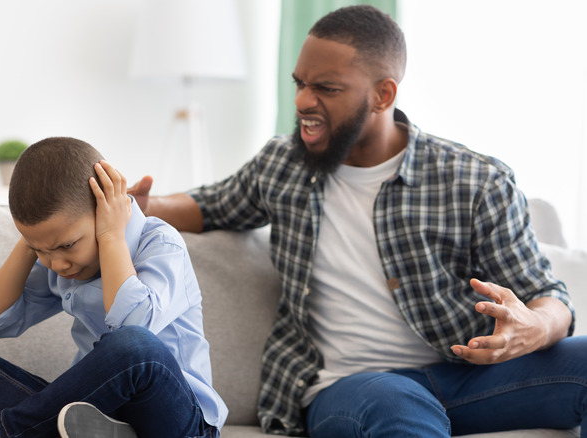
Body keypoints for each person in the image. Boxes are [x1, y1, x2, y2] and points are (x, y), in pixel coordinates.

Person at [129, 5, 587, 437]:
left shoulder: (475, 180)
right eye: (299, 83)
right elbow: (209, 205)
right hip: (352, 386)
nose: (302, 101)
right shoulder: (282, 163)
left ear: (383, 94)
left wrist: (536, 326)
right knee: (395, 402)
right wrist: (142, 206)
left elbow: (547, 296)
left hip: (464, 375)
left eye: (326, 89)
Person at [0, 137, 227, 438]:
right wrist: (32, 244)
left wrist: (111, 236)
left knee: (135, 345)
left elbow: (133, 324)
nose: (58, 264)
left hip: (181, 422)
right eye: (41, 250)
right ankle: (71, 431)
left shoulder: (160, 243)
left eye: (66, 246)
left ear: (104, 210)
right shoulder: (58, 259)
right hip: (99, 415)